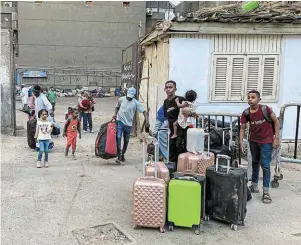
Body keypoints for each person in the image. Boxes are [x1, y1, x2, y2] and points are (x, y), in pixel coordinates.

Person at [240, 90, 280, 204]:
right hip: (253, 141)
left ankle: (266, 192)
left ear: (259, 99)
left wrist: (276, 138)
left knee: (265, 166)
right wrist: (241, 142)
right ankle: (254, 185)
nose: (250, 99)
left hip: (266, 141)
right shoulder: (246, 112)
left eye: (253, 97)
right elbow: (242, 127)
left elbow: (276, 122)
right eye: (248, 97)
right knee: (255, 163)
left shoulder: (265, 109)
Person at [113, 87, 149, 164]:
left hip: (128, 124)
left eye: (131, 97)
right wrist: (115, 114)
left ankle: (122, 154)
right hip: (120, 121)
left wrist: (147, 120)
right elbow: (117, 107)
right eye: (128, 96)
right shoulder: (121, 99)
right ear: (126, 94)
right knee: (118, 137)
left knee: (126, 140)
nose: (129, 98)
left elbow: (144, 111)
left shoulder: (136, 103)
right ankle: (118, 155)